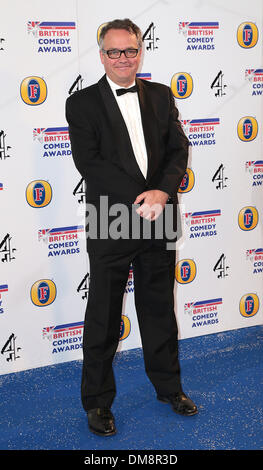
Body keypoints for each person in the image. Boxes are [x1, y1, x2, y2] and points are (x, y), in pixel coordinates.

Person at [66, 18, 197, 437]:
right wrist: (145, 197)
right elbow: (90, 164)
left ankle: (169, 388)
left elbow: (179, 148)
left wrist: (162, 192)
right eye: (114, 51)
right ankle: (98, 402)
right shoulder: (82, 104)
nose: (123, 58)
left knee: (159, 309)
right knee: (103, 315)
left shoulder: (161, 94)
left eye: (131, 50)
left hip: (159, 213)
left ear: (140, 51)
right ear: (101, 54)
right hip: (111, 216)